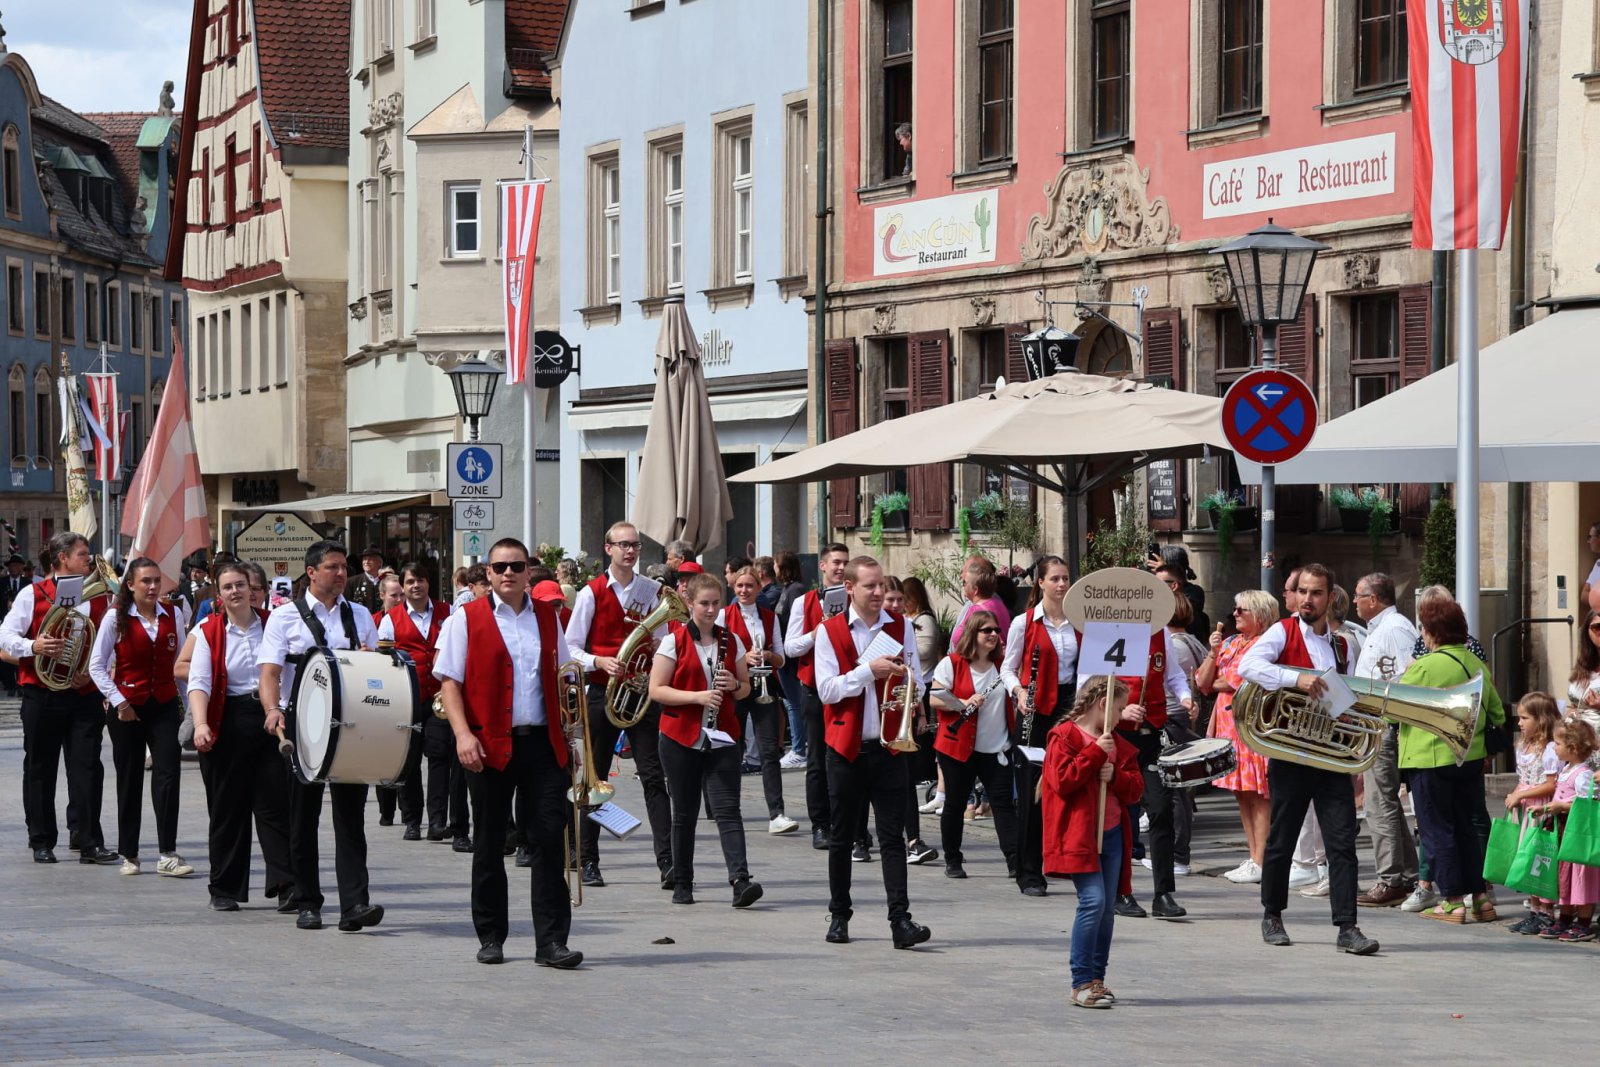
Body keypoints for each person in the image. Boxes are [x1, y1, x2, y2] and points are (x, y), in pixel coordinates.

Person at [434, 537, 583, 968]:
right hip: (488, 743)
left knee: (549, 842)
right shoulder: (466, 618)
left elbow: (565, 676)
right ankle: (491, 936)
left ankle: (551, 942)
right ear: (487, 572)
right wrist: (463, 735)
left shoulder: (546, 617)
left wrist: (573, 742)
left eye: (515, 566)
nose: (507, 574)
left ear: (528, 572)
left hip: (541, 743)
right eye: (499, 567)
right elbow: (449, 682)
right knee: (489, 842)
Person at [1240, 563, 1379, 955]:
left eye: (1315, 593)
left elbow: (1346, 698)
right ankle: (1272, 915)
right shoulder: (1281, 631)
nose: (1306, 599)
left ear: (1329, 598)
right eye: (1301, 591)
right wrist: (1294, 678)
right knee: (1282, 837)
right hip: (1291, 753)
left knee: (1342, 843)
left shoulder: (1342, 643)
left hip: (1330, 754)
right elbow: (1248, 666)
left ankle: (1348, 927)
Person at [258, 540, 384, 933]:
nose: (342, 574)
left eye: (344, 567)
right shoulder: (284, 618)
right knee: (303, 817)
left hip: (351, 726)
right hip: (303, 725)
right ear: (311, 572)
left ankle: (355, 904)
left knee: (350, 818)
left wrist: (371, 658)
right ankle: (307, 901)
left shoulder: (361, 615)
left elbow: (377, 673)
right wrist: (272, 710)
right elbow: (270, 673)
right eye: (333, 567)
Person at [814, 555, 930, 949]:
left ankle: (901, 920)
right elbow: (827, 690)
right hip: (845, 747)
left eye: (881, 585)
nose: (880, 592)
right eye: (871, 586)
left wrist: (914, 692)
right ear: (849, 588)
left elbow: (916, 674)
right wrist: (869, 672)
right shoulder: (829, 631)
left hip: (889, 746)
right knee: (842, 836)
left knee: (893, 837)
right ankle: (839, 915)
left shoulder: (900, 626)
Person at [563, 521, 673, 889]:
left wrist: (660, 650)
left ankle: (669, 862)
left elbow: (663, 639)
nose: (629, 551)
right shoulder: (591, 593)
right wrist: (599, 661)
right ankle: (587, 859)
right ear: (607, 548)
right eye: (622, 545)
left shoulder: (653, 590)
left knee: (654, 777)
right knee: (594, 778)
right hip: (601, 692)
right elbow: (570, 647)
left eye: (635, 545)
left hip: (640, 694)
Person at [2, 531, 118, 865]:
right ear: (62, 558)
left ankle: (88, 840)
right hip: (42, 694)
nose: (89, 559)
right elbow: (5, 636)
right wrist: (34, 646)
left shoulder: (97, 598)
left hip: (83, 695)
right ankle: (41, 840)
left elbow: (107, 646)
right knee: (40, 768)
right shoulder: (32, 593)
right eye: (83, 554)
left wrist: (92, 669)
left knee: (87, 769)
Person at [649, 573, 764, 907]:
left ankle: (741, 880)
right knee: (684, 812)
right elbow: (657, 690)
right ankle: (683, 881)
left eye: (716, 603)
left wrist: (734, 686)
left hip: (723, 736)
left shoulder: (732, 641)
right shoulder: (674, 641)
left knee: (728, 810)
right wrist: (697, 697)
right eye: (704, 604)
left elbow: (746, 688)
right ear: (690, 604)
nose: (711, 610)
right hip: (680, 737)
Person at [188, 560, 294, 912]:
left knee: (275, 806)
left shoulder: (274, 624)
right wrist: (201, 725)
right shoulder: (208, 631)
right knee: (227, 807)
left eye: (240, 585)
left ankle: (286, 884)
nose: (235, 591)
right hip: (226, 718)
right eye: (228, 587)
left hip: (270, 718)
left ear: (252, 589)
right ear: (218, 595)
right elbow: (199, 682)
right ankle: (225, 887)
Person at [1398, 596, 1506, 925]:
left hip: (1429, 759)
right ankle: (1481, 900)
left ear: (1431, 631)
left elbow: (1396, 709)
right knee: (1465, 828)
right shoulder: (1477, 665)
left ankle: (1453, 901)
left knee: (1436, 831)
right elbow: (1498, 713)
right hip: (1469, 760)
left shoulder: (1424, 667)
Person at [1090, 585, 1195, 920]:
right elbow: (1087, 689)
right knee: (1120, 815)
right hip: (1117, 736)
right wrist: (1119, 712)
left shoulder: (1160, 633)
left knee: (1161, 809)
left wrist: (1185, 695)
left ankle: (1163, 893)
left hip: (1152, 737)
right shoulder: (1105, 634)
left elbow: (1174, 674)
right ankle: (1121, 891)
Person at [87, 557, 191, 878]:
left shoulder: (173, 614)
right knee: (129, 779)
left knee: (168, 776)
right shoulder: (114, 619)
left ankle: (167, 853)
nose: (152, 587)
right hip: (127, 709)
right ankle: (129, 853)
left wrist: (188, 709)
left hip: (163, 705)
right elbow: (96, 666)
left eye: (156, 581)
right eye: (145, 581)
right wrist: (119, 702)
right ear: (130, 585)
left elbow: (181, 666)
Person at [1043, 678, 1142, 1009]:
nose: (1121, 716)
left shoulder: (1115, 742)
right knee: (1093, 902)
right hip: (1081, 833)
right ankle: (1081, 981)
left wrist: (1114, 775)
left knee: (1106, 911)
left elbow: (1135, 790)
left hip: (1112, 832)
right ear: (1103, 705)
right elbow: (1062, 781)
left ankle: (1097, 979)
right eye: (1118, 709)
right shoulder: (1064, 737)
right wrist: (1094, 753)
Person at [1002, 555, 1078, 897]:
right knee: (1032, 790)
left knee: (1069, 786)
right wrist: (1017, 691)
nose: (1062, 584)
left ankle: (1064, 861)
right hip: (1034, 707)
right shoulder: (1024, 623)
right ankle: (1029, 870)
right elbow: (1007, 668)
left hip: (1069, 705)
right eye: (1056, 579)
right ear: (1041, 583)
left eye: (1066, 578)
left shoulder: (1080, 621)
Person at [1196, 590, 1277, 884]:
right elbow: (1205, 684)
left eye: (1243, 610)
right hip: (1229, 729)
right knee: (1241, 794)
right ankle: (1253, 855)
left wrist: (1222, 682)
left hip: (1251, 727)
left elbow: (1238, 681)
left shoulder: (1264, 645)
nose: (1235, 614)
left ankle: (1261, 858)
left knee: (1258, 794)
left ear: (1261, 614)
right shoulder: (1229, 643)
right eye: (1235, 609)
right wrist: (1212, 652)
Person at [1350, 573, 1420, 909]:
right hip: (1375, 720)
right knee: (1381, 802)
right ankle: (1404, 874)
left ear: (1373, 599)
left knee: (1379, 803)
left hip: (1384, 722)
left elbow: (1407, 676)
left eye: (1358, 596)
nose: (1354, 601)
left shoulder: (1395, 628)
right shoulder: (1383, 627)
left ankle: (1391, 878)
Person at [930, 608, 1017, 879]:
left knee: (1003, 805)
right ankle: (953, 860)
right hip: (957, 747)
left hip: (996, 748)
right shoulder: (952, 663)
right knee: (955, 804)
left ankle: (1015, 862)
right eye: (987, 630)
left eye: (997, 631)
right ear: (973, 633)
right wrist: (962, 703)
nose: (994, 635)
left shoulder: (1004, 665)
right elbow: (934, 698)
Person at [376, 563, 452, 844]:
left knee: (439, 758)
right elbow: (383, 661)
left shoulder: (449, 612)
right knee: (408, 761)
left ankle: (436, 821)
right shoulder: (390, 619)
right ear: (404, 587)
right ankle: (411, 821)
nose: (415, 586)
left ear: (428, 583)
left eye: (419, 580)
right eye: (410, 582)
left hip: (439, 700)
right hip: (406, 698)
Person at [784, 542, 851, 852]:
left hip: (848, 686)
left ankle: (849, 823)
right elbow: (789, 648)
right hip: (813, 687)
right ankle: (820, 825)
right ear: (822, 566)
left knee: (848, 756)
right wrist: (819, 632)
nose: (840, 567)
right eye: (835, 562)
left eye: (845, 563)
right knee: (817, 760)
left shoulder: (856, 600)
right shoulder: (804, 602)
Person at [724, 566, 795, 834]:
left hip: (764, 685)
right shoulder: (724, 615)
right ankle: (728, 807)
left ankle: (777, 813)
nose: (744, 590)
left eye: (749, 586)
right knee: (732, 748)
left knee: (768, 751)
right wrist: (743, 659)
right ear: (734, 587)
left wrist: (765, 656)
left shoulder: (769, 617)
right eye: (740, 586)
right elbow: (719, 653)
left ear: (758, 588)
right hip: (737, 686)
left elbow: (782, 656)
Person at [881, 578, 938, 866]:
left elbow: (916, 672)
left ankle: (914, 840)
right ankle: (860, 839)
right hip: (871, 716)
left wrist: (918, 709)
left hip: (899, 710)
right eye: (889, 600)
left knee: (903, 781)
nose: (894, 605)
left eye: (898, 600)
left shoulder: (905, 628)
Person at [1534, 718, 1600, 941]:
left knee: (1581, 877)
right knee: (1565, 877)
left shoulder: (1582, 774)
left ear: (1572, 747)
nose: (1554, 747)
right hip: (1563, 831)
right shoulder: (1566, 770)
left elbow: (1588, 803)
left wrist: (1562, 806)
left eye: (1557, 743)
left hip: (1577, 836)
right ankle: (1564, 917)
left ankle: (1583, 922)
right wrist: (1544, 808)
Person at [1504, 692, 1561, 935]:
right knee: (1527, 859)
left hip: (1541, 810)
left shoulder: (1549, 749)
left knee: (1540, 859)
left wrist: (1522, 795)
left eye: (1525, 718)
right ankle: (1534, 911)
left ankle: (1547, 914)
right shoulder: (1525, 746)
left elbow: (1551, 784)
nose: (1519, 723)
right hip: (1526, 809)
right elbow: (1524, 779)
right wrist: (1514, 793)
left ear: (1542, 719)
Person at [773, 551, 809, 769]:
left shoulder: (795, 590)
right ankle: (798, 747)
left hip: (791, 657)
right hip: (784, 655)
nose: (774, 568)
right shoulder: (787, 589)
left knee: (794, 704)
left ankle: (798, 749)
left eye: (776, 564)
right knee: (790, 703)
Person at [950, 557, 1011, 647]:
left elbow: (959, 640)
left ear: (975, 589)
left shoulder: (976, 610)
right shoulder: (999, 604)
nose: (963, 585)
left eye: (965, 583)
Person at [346, 546, 386, 615]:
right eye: (364, 559)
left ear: (379, 562)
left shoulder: (387, 581)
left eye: (370, 559)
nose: (366, 562)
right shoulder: (352, 582)